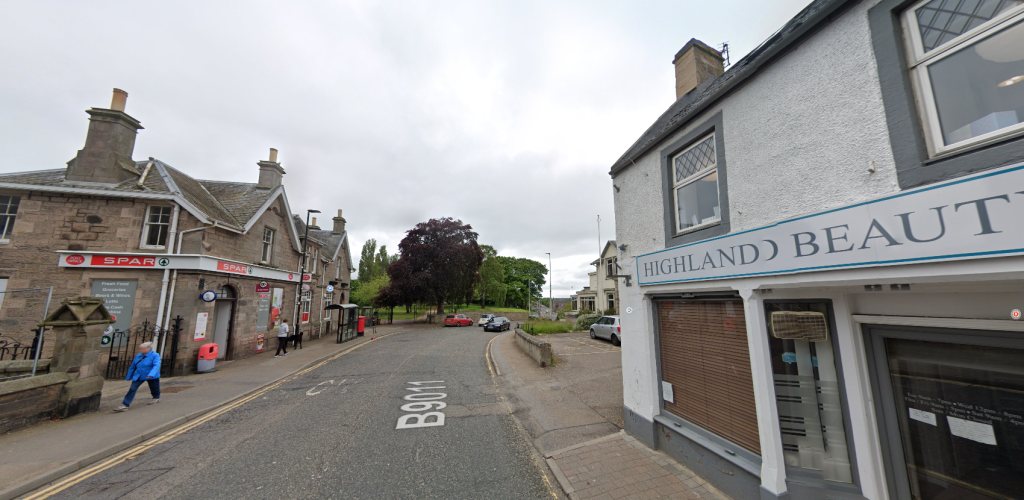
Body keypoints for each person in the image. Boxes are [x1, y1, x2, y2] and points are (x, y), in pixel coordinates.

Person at [115, 342, 161, 412]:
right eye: (141, 349)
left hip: (151, 375)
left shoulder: (155, 355)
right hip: (139, 375)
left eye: (144, 349)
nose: (141, 350)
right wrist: (129, 376)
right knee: (132, 389)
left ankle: (156, 397)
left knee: (154, 387)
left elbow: (156, 365)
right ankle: (125, 405)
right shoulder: (138, 356)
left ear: (150, 349)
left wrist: (151, 374)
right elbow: (133, 366)